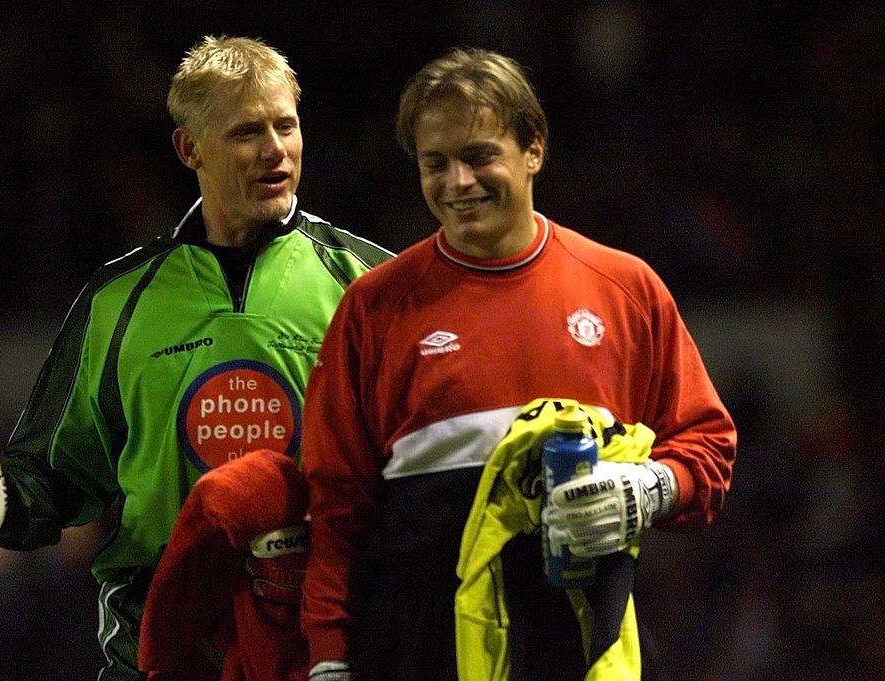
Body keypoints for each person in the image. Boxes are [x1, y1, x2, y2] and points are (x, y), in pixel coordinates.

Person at [0, 35, 392, 681]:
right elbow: (63, 473)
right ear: (189, 148)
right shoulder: (116, 301)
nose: (274, 150)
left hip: (323, 646)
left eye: (285, 126)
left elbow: (422, 456)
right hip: (163, 650)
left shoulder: (370, 284)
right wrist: (2, 503)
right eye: (245, 132)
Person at [300, 48, 736, 680]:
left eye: (478, 156)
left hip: (581, 636)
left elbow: (709, 445)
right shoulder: (374, 307)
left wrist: (650, 488)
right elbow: (337, 502)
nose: (457, 182)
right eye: (435, 163)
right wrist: (329, 657)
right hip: (420, 644)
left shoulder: (625, 289)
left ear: (534, 149)